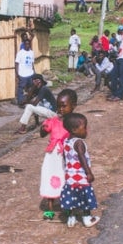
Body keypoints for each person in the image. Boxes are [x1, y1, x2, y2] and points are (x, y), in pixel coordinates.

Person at [38, 89, 77, 219]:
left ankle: (66, 206)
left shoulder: (74, 122)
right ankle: (50, 208)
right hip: (52, 156)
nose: (60, 109)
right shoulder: (53, 121)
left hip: (67, 155)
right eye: (58, 106)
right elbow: (43, 134)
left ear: (73, 106)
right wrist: (43, 128)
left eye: (64, 106)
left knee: (67, 179)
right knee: (50, 177)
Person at [59, 112, 98, 228]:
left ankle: (71, 218)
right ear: (74, 130)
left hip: (70, 176)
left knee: (72, 196)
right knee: (84, 196)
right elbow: (82, 159)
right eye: (84, 127)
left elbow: (65, 157)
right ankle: (87, 218)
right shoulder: (79, 142)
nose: (86, 130)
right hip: (80, 176)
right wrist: (89, 173)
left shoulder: (66, 141)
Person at [14, 35, 35, 106]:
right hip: (23, 75)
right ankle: (20, 102)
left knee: (31, 88)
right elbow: (16, 64)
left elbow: (32, 63)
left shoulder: (31, 52)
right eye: (26, 44)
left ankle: (28, 101)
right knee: (21, 89)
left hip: (30, 74)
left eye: (28, 44)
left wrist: (34, 72)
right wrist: (17, 74)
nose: (27, 45)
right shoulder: (20, 53)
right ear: (24, 44)